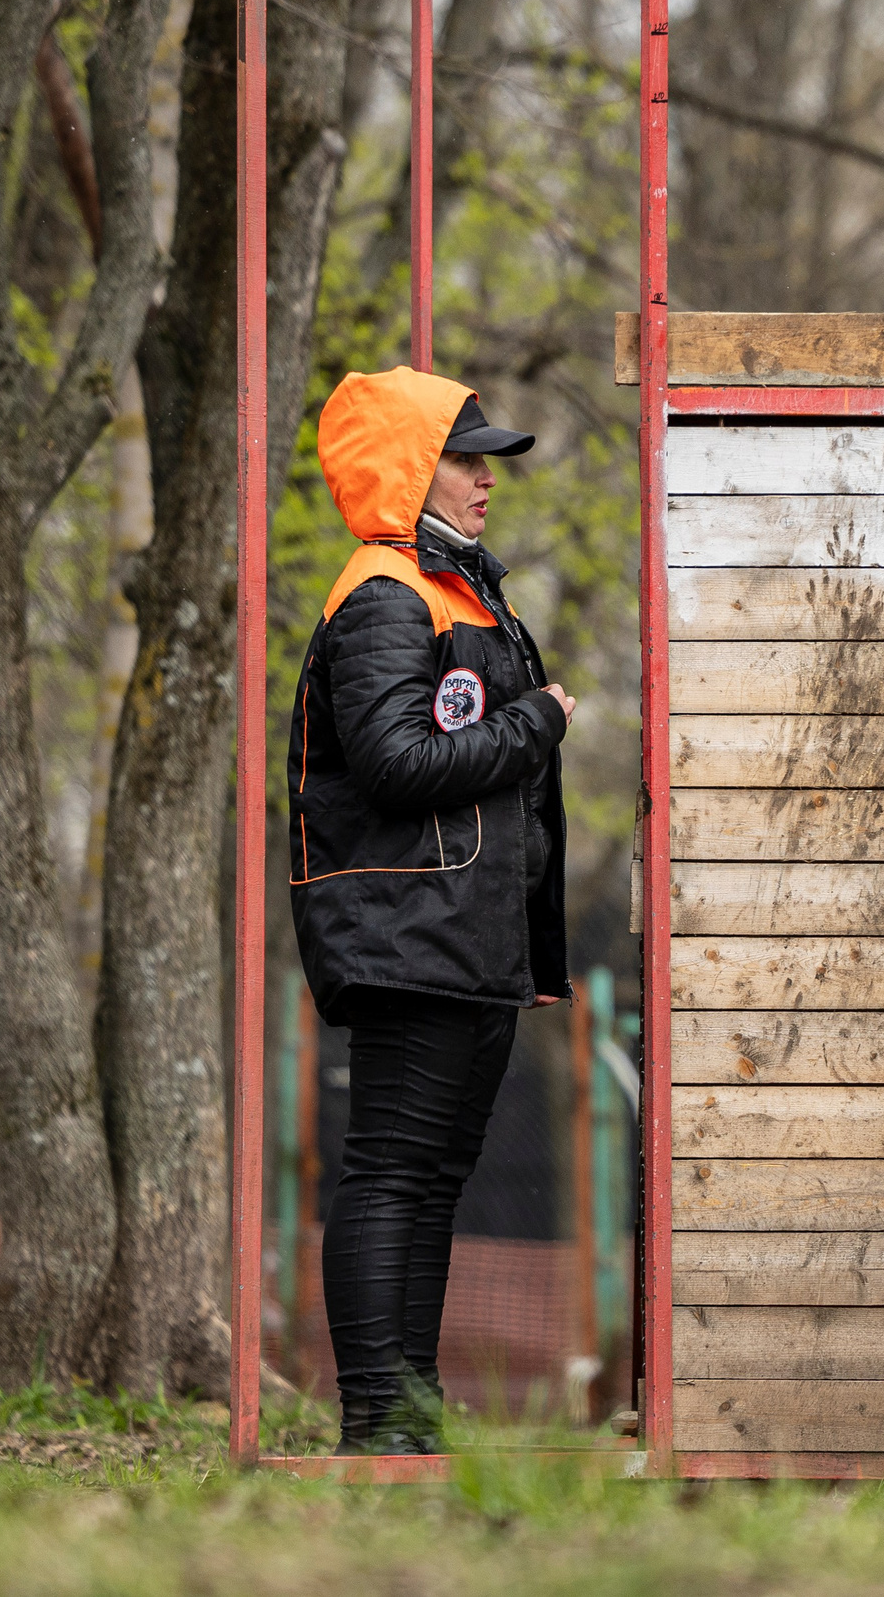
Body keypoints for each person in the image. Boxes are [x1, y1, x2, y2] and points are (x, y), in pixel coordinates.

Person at [289, 367, 574, 1455]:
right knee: (392, 1171)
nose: (484, 479)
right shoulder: (382, 595)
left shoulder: (450, 586)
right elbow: (400, 761)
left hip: (458, 932)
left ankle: (409, 1417)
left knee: (430, 1174)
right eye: (464, 458)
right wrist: (540, 719)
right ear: (409, 469)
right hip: (407, 932)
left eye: (486, 459)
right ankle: (376, 1419)